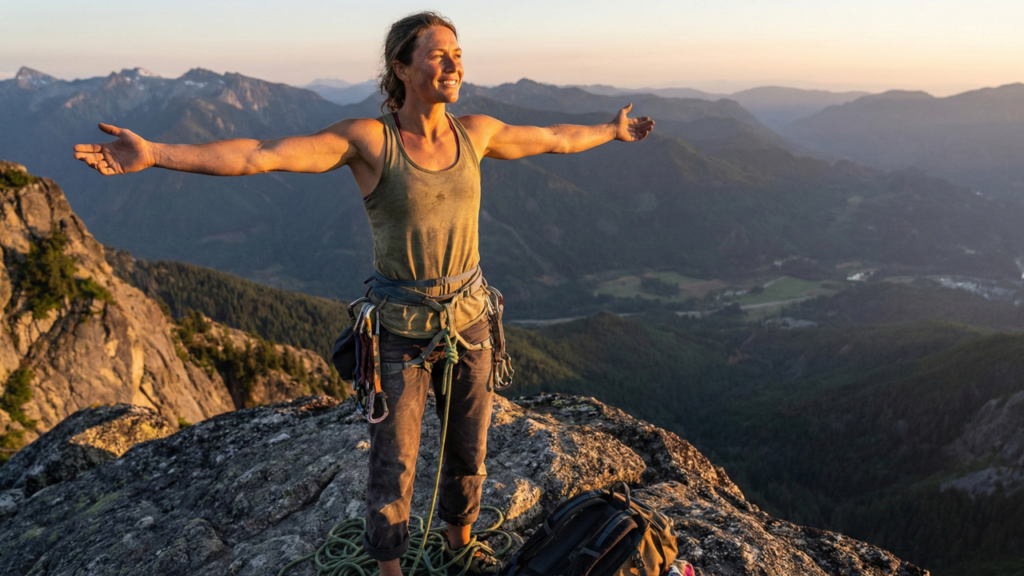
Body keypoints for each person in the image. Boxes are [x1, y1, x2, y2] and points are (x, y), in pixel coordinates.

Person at [74, 11, 654, 575]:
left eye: (458, 55)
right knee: (393, 461)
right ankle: (391, 567)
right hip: (399, 330)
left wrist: (611, 129)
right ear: (401, 68)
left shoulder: (474, 133)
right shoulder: (370, 142)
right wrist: (155, 154)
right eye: (437, 55)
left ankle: (459, 542)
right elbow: (260, 155)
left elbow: (552, 138)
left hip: (470, 320)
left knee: (468, 448)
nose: (452, 65)